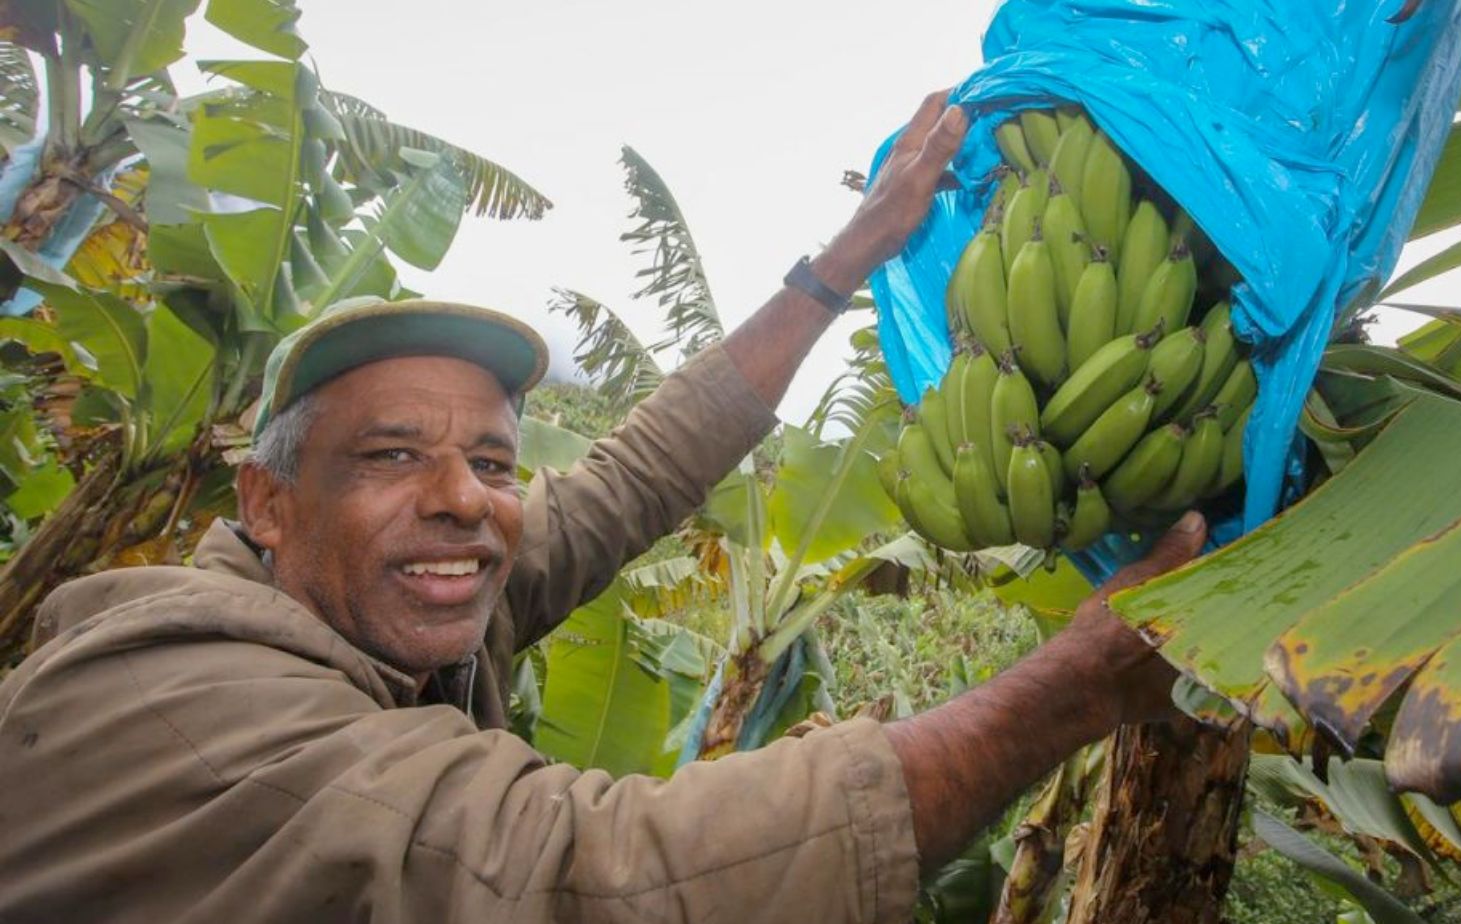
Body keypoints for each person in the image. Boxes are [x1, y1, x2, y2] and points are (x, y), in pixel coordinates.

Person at [0, 91, 1206, 923]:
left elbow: (634, 476)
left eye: (490, 460)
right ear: (265, 501)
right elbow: (600, 877)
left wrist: (835, 268)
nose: (459, 501)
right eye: (389, 455)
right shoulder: (196, 707)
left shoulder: (370, 591)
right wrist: (1081, 683)